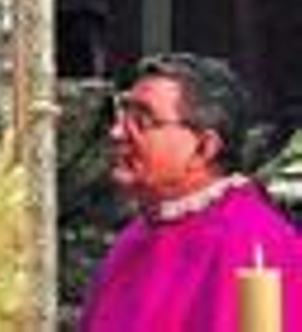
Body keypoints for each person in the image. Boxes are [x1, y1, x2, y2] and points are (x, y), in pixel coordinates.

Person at [80, 53, 301, 331]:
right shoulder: (136, 235)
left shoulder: (256, 244)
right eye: (122, 114)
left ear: (204, 148)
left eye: (142, 120)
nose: (116, 132)